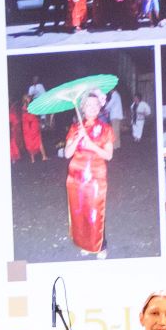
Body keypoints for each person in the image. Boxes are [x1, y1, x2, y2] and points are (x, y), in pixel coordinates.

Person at [63, 88, 115, 259]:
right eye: (88, 104)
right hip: (76, 177)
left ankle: (101, 246)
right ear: (82, 108)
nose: (92, 107)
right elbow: (67, 154)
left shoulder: (106, 129)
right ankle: (85, 244)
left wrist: (92, 145)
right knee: (80, 212)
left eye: (95, 104)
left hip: (96, 177)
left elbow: (108, 155)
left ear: (99, 107)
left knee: (96, 212)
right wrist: (78, 138)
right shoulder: (75, 128)